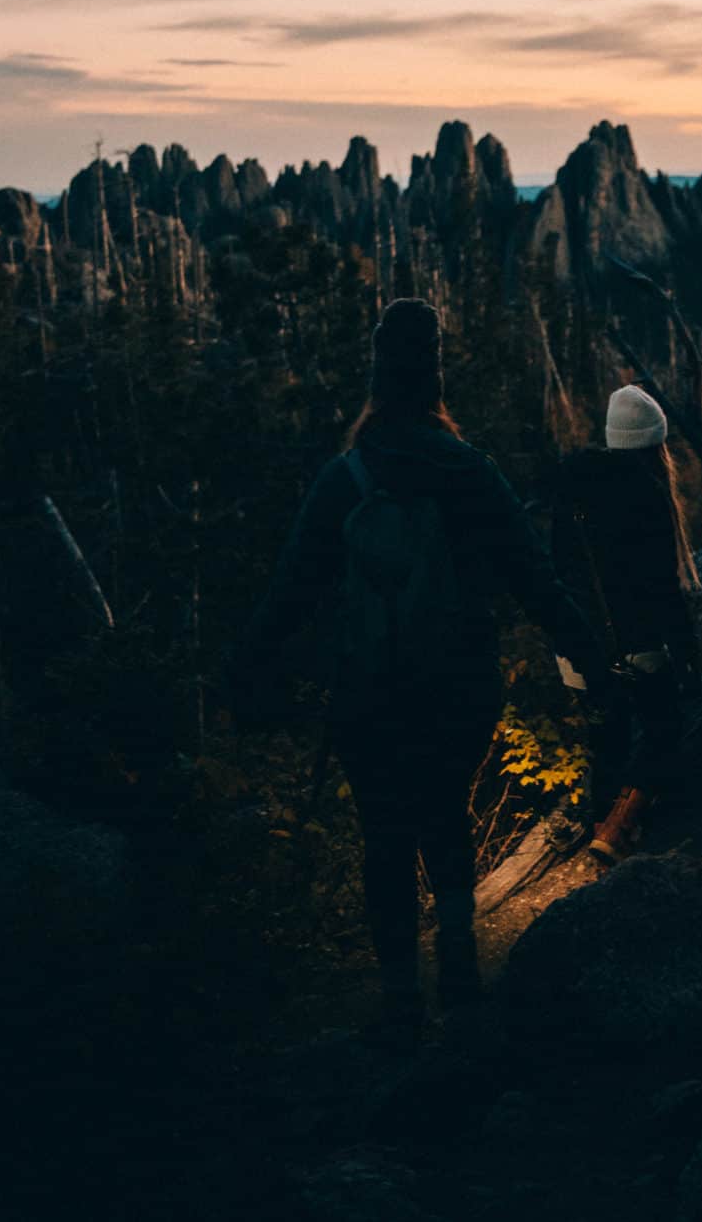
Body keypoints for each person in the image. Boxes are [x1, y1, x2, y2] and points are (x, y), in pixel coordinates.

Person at [231, 299, 608, 1042]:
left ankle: (401, 996)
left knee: (384, 833)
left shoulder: (346, 478)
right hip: (459, 688)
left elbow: (289, 592)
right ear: (434, 378)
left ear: (377, 379)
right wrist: (593, 657)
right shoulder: (470, 470)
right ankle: (461, 964)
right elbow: (535, 578)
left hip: (368, 695)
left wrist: (244, 675)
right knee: (442, 811)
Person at [550, 383, 702, 864]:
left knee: (608, 739)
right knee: (664, 729)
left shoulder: (569, 487)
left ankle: (603, 833)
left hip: (577, 646)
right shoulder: (648, 494)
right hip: (634, 645)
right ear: (656, 444)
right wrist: (687, 653)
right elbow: (661, 589)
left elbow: (557, 571)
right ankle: (618, 829)